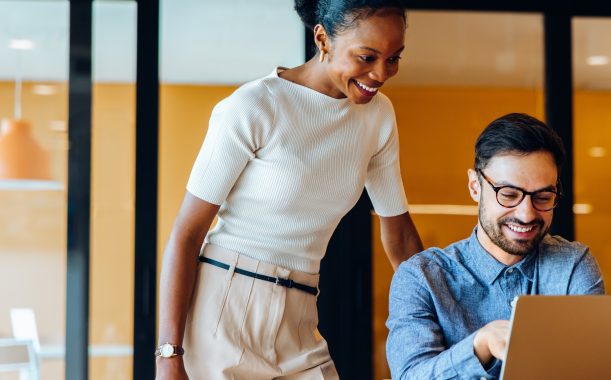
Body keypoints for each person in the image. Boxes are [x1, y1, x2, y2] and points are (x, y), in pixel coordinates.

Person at [155, 1, 423, 379]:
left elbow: (400, 235)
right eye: (367, 57)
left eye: (394, 58)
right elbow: (187, 233)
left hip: (301, 309)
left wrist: (437, 317)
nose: (381, 73)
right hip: (224, 307)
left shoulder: (378, 116)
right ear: (322, 38)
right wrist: (168, 357)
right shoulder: (254, 106)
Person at [385, 113, 605, 379]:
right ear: (475, 186)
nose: (526, 214)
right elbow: (410, 376)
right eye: (509, 195)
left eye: (543, 197)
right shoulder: (421, 277)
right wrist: (480, 345)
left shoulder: (572, 265)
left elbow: (590, 369)